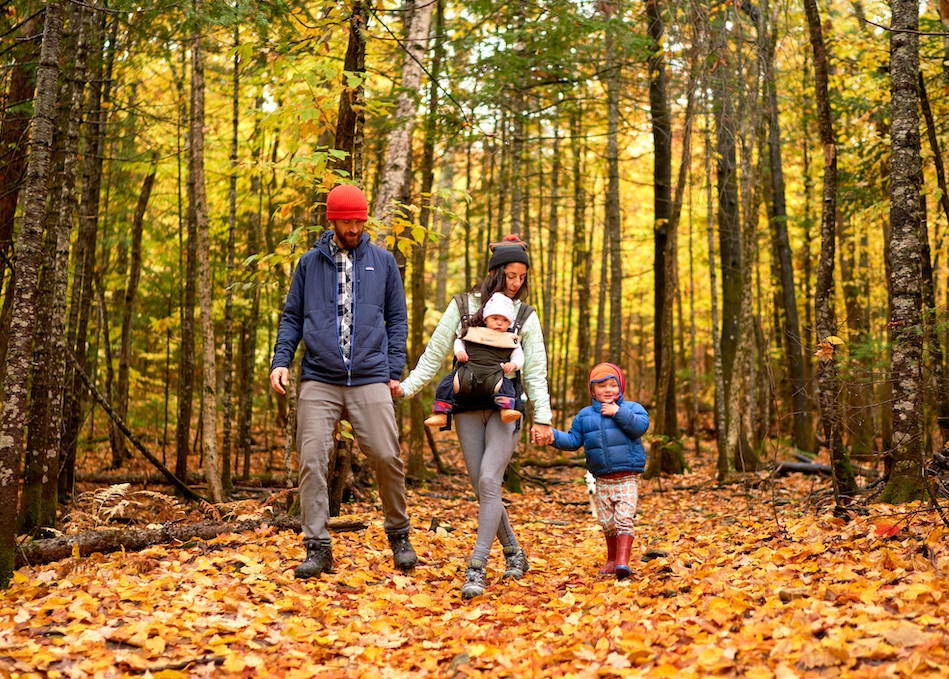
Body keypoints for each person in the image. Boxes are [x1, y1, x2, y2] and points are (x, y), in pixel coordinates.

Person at [270, 183, 417, 579]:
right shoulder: (308, 264)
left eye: (359, 220)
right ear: (333, 220)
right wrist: (280, 361)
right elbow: (291, 317)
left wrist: (392, 370)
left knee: (387, 455)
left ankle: (399, 534)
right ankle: (317, 547)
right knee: (313, 460)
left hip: (370, 374)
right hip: (319, 375)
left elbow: (397, 319)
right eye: (346, 220)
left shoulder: (383, 262)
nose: (353, 227)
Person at [395, 235, 554, 599]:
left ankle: (477, 567)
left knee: (487, 480)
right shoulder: (464, 306)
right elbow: (435, 353)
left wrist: (542, 418)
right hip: (466, 406)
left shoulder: (525, 316)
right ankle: (514, 552)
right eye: (510, 276)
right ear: (496, 273)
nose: (516, 284)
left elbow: (536, 372)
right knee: (485, 489)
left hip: (506, 409)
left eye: (521, 278)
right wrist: (406, 388)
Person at [547, 362, 649, 580]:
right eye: (601, 386)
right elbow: (573, 440)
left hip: (627, 476)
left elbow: (639, 427)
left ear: (620, 387)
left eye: (613, 385)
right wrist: (552, 436)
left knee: (623, 518)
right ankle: (612, 559)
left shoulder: (632, 409)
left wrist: (618, 412)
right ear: (592, 390)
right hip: (602, 478)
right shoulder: (585, 416)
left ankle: (623, 561)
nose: (608, 390)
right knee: (607, 522)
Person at [424, 291, 524, 429]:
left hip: (494, 376)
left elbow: (519, 356)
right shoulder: (473, 331)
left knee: (507, 387)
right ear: (486, 318)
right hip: (466, 373)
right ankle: (441, 413)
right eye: (495, 318)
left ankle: (505, 409)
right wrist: (460, 352)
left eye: (505, 320)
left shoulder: (510, 338)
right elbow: (460, 341)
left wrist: (513, 364)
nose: (499, 323)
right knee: (446, 384)